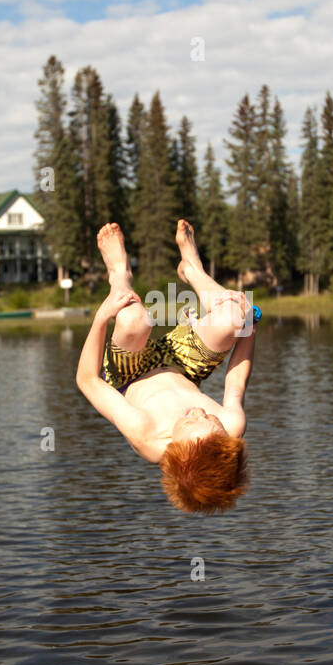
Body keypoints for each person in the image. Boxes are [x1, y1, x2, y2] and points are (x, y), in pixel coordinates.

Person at [76, 219, 255, 512]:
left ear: (175, 449)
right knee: (235, 316)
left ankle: (119, 274)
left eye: (191, 421)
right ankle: (193, 270)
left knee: (135, 320)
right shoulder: (231, 429)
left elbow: (87, 380)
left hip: (130, 371)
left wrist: (101, 317)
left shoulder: (144, 432)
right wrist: (249, 328)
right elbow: (235, 384)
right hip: (185, 365)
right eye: (210, 418)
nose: (200, 411)